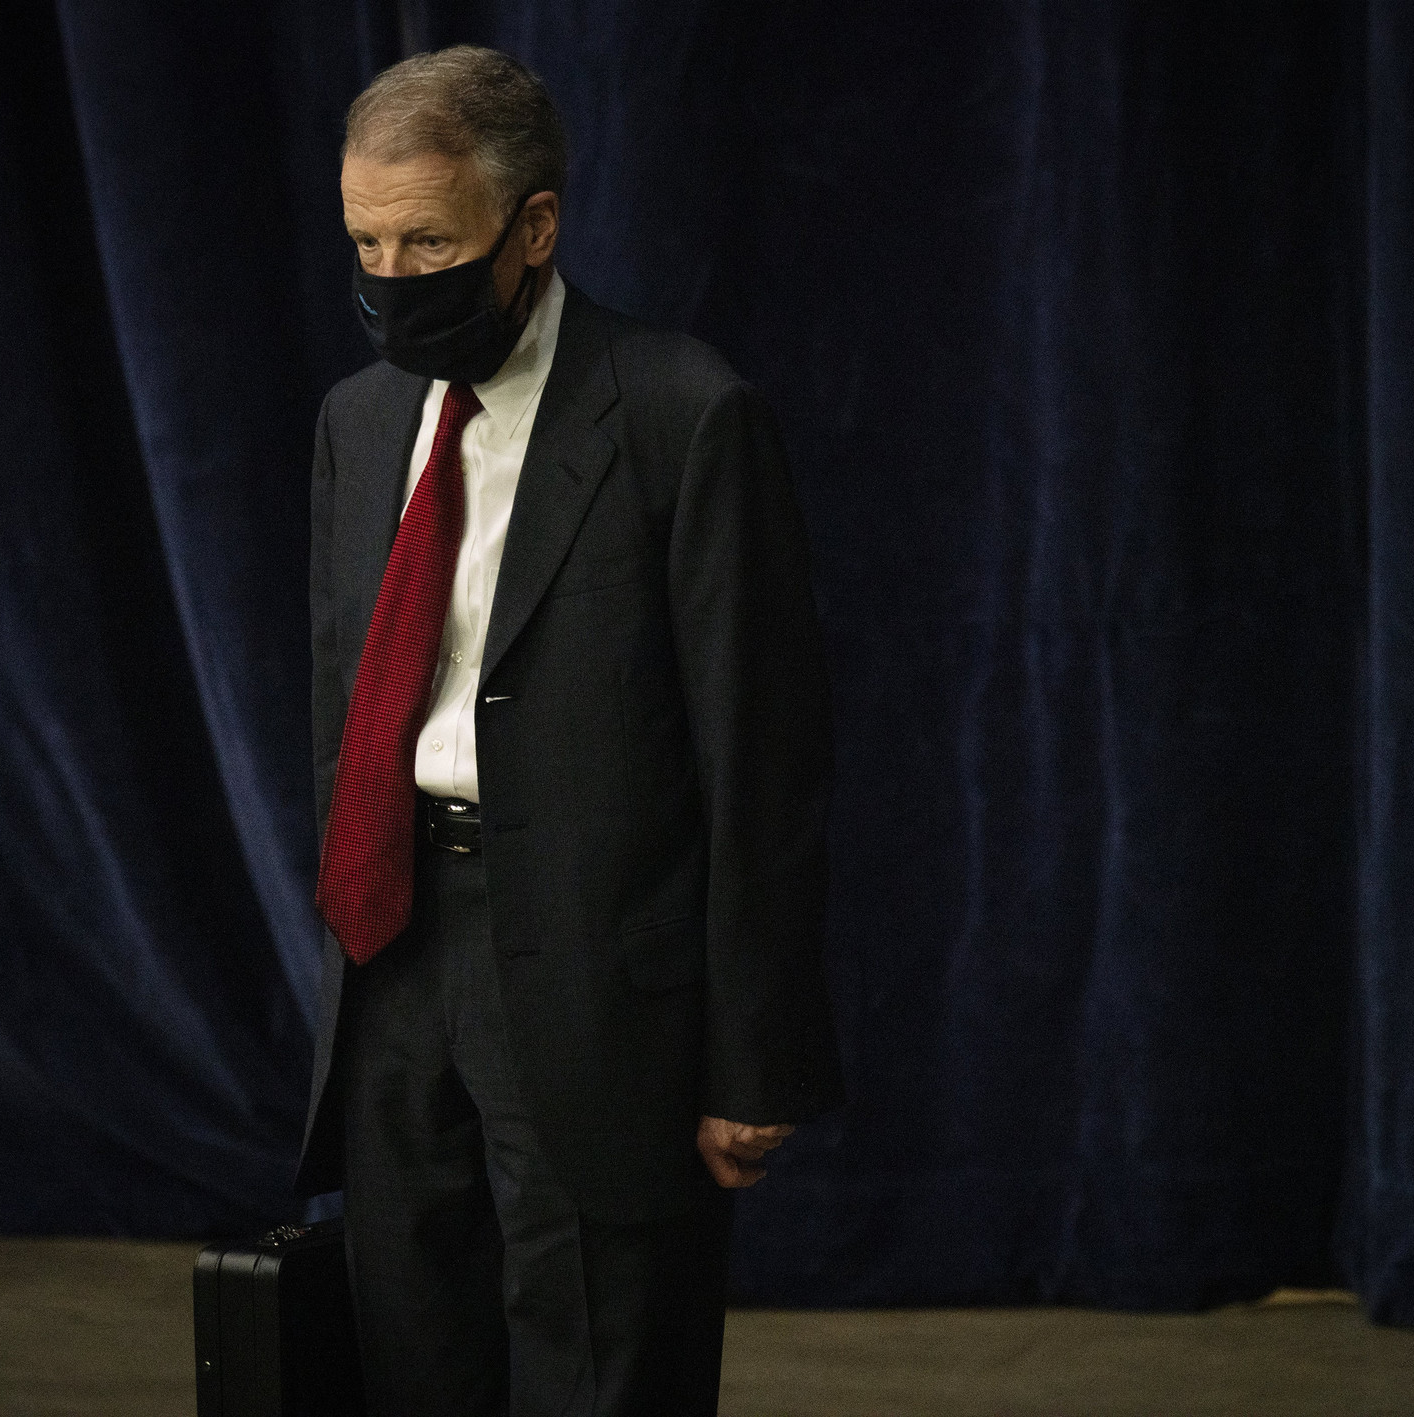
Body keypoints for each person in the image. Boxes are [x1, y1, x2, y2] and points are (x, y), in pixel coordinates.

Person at [295, 44, 843, 1416]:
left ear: (532, 228)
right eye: (366, 239)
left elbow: (760, 761)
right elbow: (343, 701)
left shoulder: (681, 413)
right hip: (395, 947)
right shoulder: (358, 424)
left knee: (602, 1357)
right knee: (415, 1343)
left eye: (428, 239)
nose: (390, 274)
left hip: (606, 978)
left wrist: (751, 1057)